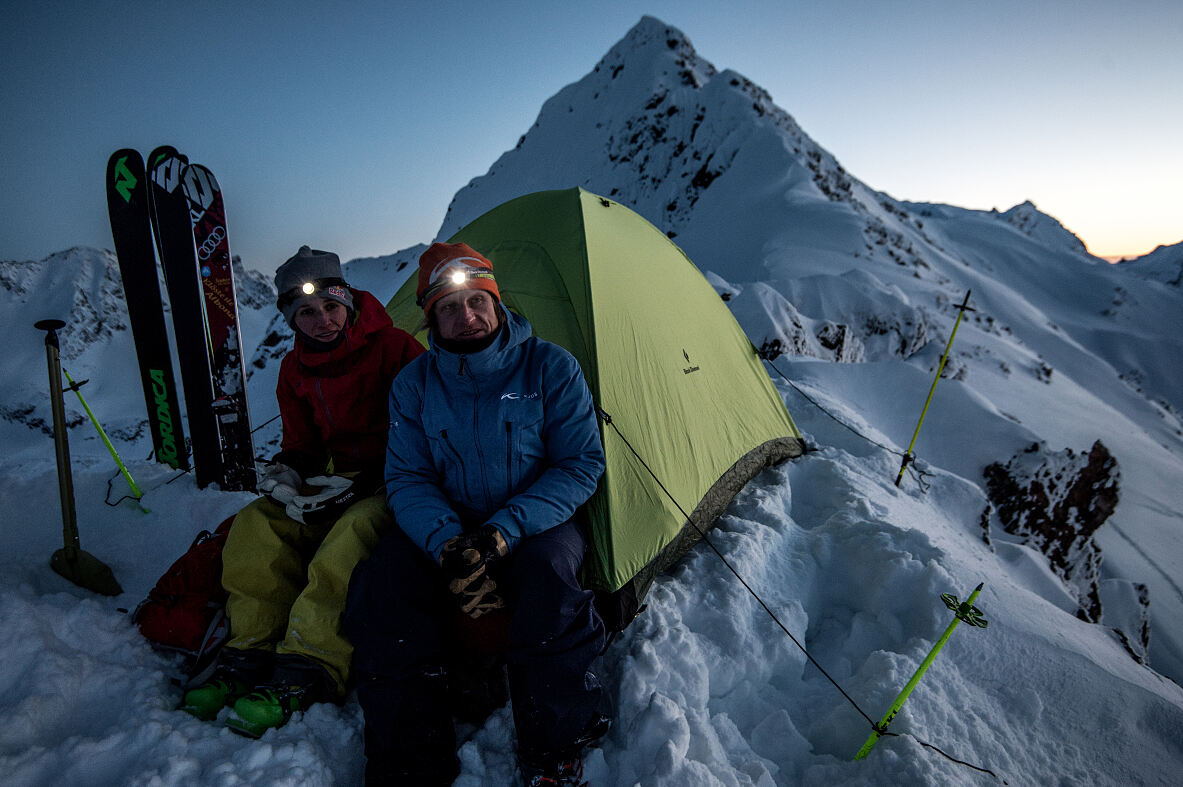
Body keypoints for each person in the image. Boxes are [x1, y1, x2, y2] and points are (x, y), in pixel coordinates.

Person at [344, 242, 611, 785]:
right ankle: (408, 761)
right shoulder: (414, 386)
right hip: (449, 518)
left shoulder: (550, 367)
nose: (465, 317)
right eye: (448, 307)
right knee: (385, 583)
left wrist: (501, 534)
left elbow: (580, 464)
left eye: (475, 302)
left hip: (537, 519)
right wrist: (447, 543)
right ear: (431, 318)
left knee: (548, 579)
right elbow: (408, 477)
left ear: (495, 302)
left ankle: (555, 748)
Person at [181, 246, 424, 736]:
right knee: (256, 524)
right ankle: (246, 653)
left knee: (352, 534)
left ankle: (310, 665)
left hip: (400, 480)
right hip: (338, 483)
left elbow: (429, 429)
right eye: (307, 313)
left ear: (348, 302)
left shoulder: (396, 349)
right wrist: (290, 473)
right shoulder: (294, 371)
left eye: (331, 307)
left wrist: (372, 482)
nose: (322, 321)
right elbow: (302, 444)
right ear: (292, 320)